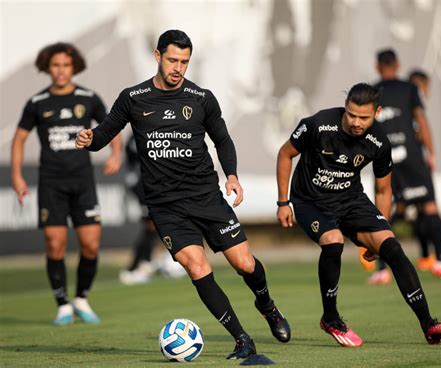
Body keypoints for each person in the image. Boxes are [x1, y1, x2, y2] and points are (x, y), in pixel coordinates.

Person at [76, 29, 290, 359]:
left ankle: (268, 306)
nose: (178, 68)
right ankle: (242, 338)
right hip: (165, 207)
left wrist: (231, 175)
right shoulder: (133, 98)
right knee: (196, 267)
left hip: (206, 197)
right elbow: (103, 136)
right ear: (157, 56)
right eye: (173, 60)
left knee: (245, 264)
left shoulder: (201, 98)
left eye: (185, 62)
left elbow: (222, 140)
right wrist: (89, 139)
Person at [276, 82, 441, 347]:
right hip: (310, 201)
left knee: (393, 248)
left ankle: (429, 325)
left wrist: (383, 226)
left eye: (364, 117)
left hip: (351, 201)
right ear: (345, 109)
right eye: (351, 115)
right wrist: (283, 202)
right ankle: (331, 317)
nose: (356, 122)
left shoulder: (379, 142)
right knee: (333, 240)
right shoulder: (318, 124)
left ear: (377, 112)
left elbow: (383, 190)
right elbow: (285, 154)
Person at [11, 42, 122, 325]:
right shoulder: (37, 103)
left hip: (82, 181)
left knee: (90, 244)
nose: (60, 71)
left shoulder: (88, 97)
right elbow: (20, 139)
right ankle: (62, 304)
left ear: (74, 67)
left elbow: (112, 126)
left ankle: (82, 298)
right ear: (48, 68)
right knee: (55, 243)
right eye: (55, 65)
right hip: (51, 182)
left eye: (66, 65)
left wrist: (116, 154)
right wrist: (16, 175)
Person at [368, 49, 441, 284]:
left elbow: (367, 125)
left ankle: (381, 270)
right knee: (429, 206)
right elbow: (421, 120)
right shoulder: (409, 89)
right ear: (398, 64)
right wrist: (430, 153)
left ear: (377, 67)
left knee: (384, 212)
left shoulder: (371, 92)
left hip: (384, 156)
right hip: (412, 156)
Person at [119, 134, 186, 285]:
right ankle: (135, 268)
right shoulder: (138, 135)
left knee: (160, 224)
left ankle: (150, 263)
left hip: (153, 183)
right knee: (151, 226)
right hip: (143, 185)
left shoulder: (154, 131)